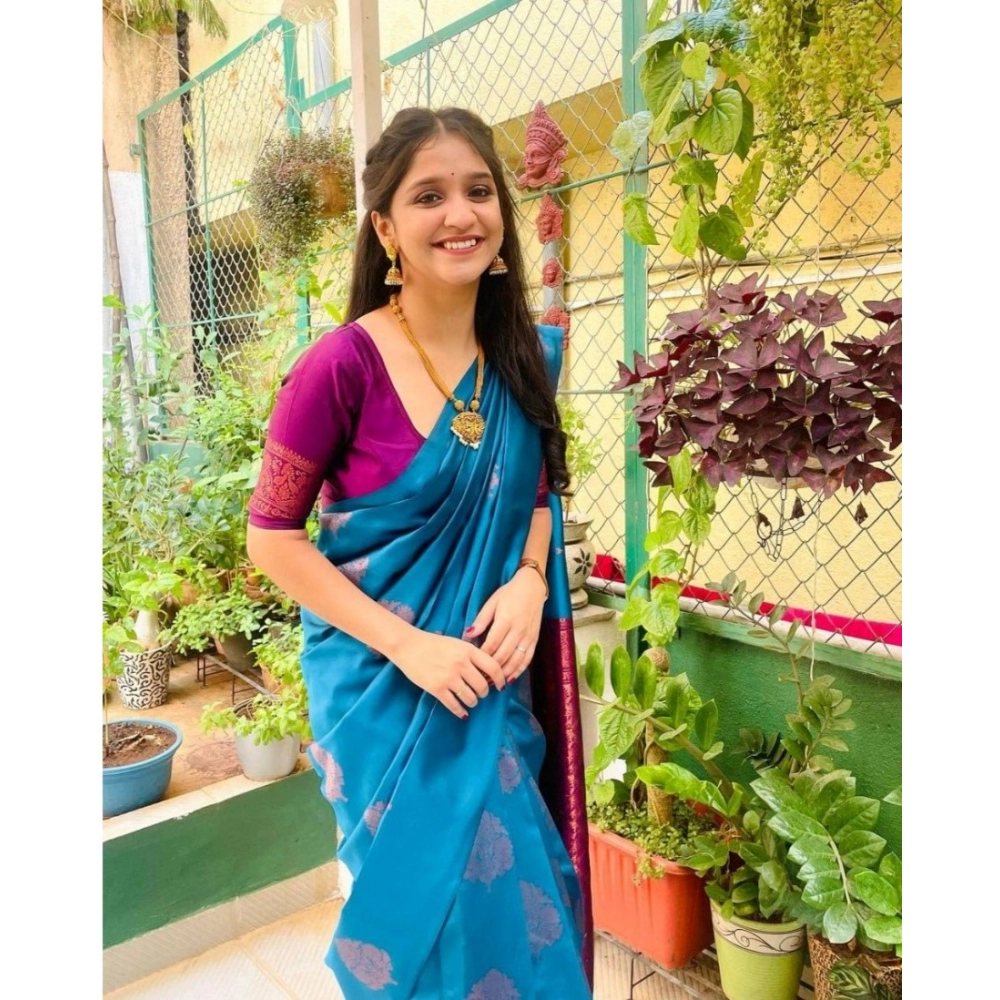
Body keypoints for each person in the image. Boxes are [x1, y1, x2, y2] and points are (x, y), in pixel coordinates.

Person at [247, 106, 593, 1000]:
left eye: (479, 190)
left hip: (485, 673)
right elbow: (270, 537)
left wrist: (529, 579)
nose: (460, 214)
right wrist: (409, 646)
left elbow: (539, 490)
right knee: (431, 917)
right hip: (381, 683)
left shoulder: (525, 355)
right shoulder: (339, 367)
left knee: (518, 896)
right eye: (428, 196)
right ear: (385, 229)